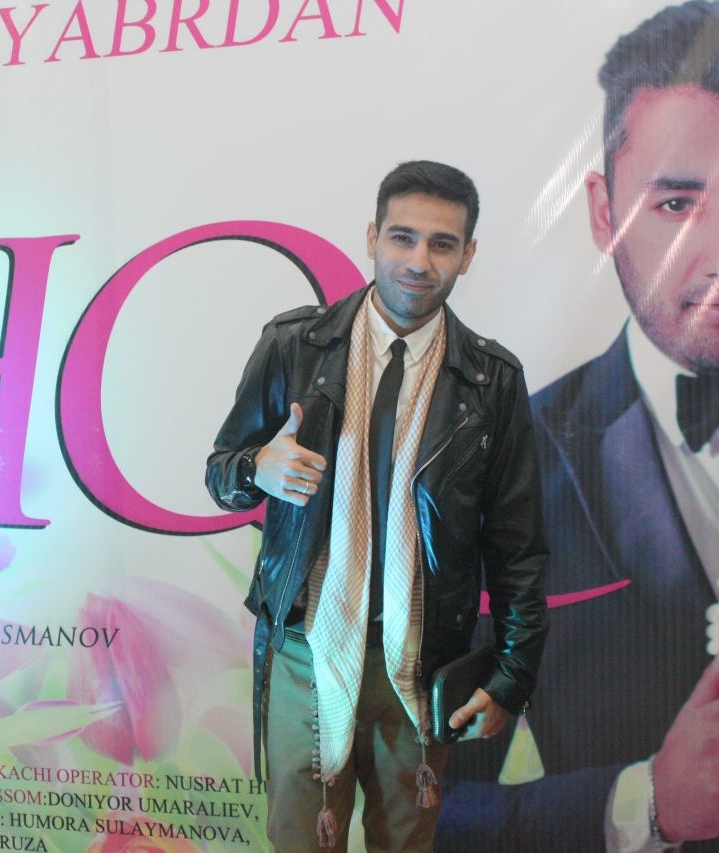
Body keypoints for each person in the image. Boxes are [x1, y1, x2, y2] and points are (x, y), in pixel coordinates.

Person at [437, 2, 719, 850]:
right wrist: (644, 801)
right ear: (603, 213)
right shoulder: (495, 472)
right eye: (676, 202)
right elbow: (406, 799)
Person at [205, 160, 549, 852]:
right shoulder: (294, 346)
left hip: (421, 659)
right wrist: (257, 468)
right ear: (372, 237)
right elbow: (223, 472)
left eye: (442, 244)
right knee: (301, 840)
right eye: (402, 237)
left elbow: (517, 544)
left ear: (468, 255)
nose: (419, 261)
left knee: (406, 842)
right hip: (305, 647)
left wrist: (513, 674)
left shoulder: (492, 380)